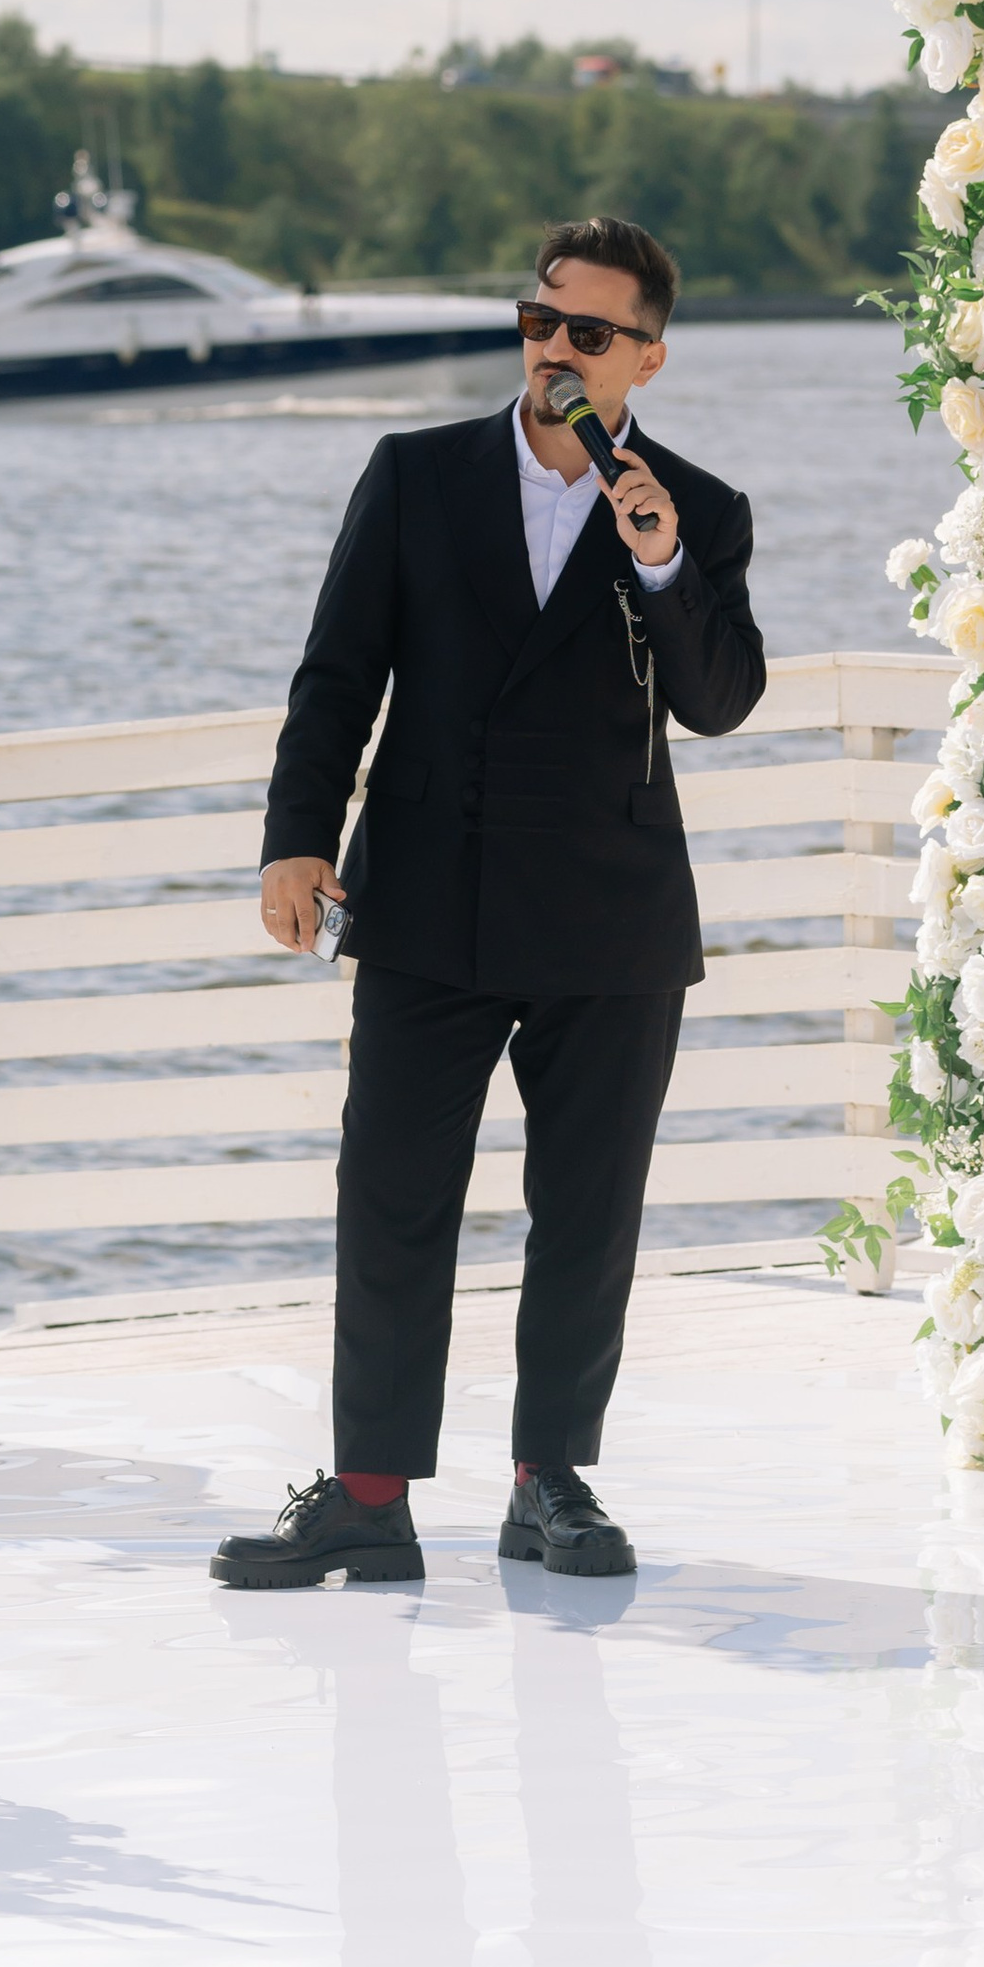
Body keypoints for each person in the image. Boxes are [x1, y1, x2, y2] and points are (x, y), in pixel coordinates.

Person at [211, 216, 767, 1592]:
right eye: (537, 321)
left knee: (588, 1207)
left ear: (645, 355)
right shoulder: (415, 476)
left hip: (611, 910)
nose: (552, 350)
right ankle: (367, 1494)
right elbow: (337, 675)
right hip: (428, 894)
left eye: (586, 332)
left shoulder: (693, 510)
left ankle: (551, 1483)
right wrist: (296, 839)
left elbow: (723, 701)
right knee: (389, 1194)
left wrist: (656, 558)